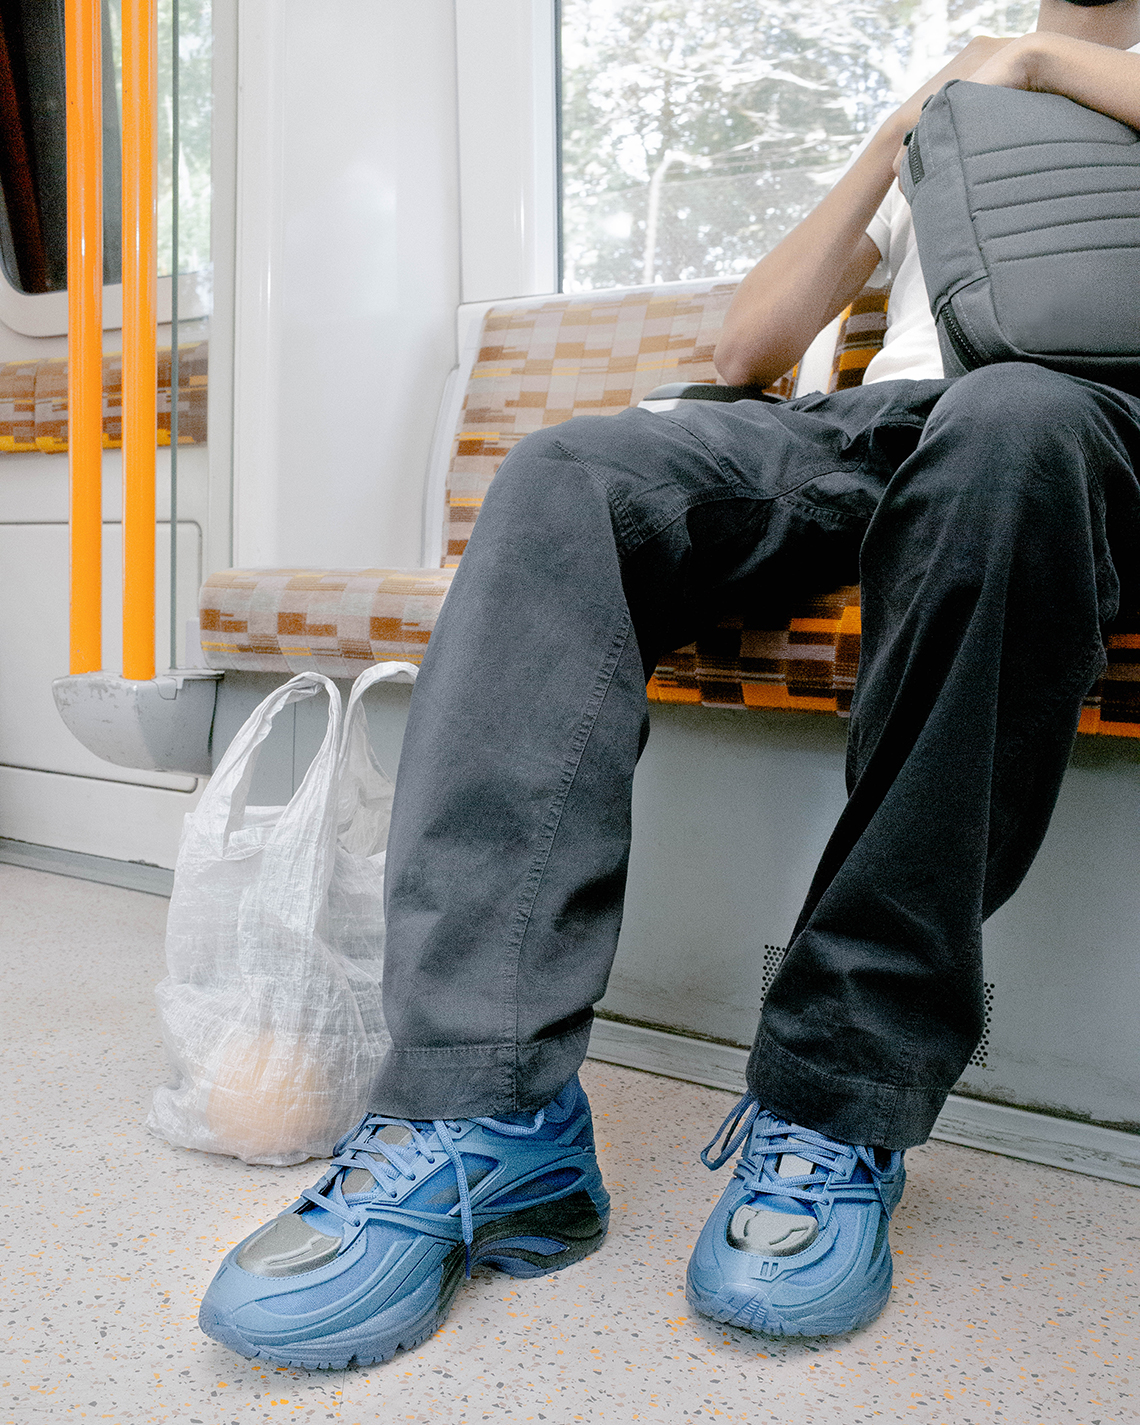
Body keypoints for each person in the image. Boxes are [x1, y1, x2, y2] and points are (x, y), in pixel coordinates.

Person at [198, 0, 1140, 1367]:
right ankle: (486, 1109)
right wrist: (919, 116)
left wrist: (1050, 68)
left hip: (1073, 420)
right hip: (880, 424)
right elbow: (746, 349)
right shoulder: (961, 90)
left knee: (1006, 427)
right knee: (569, 476)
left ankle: (835, 1099)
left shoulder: (1057, 73)